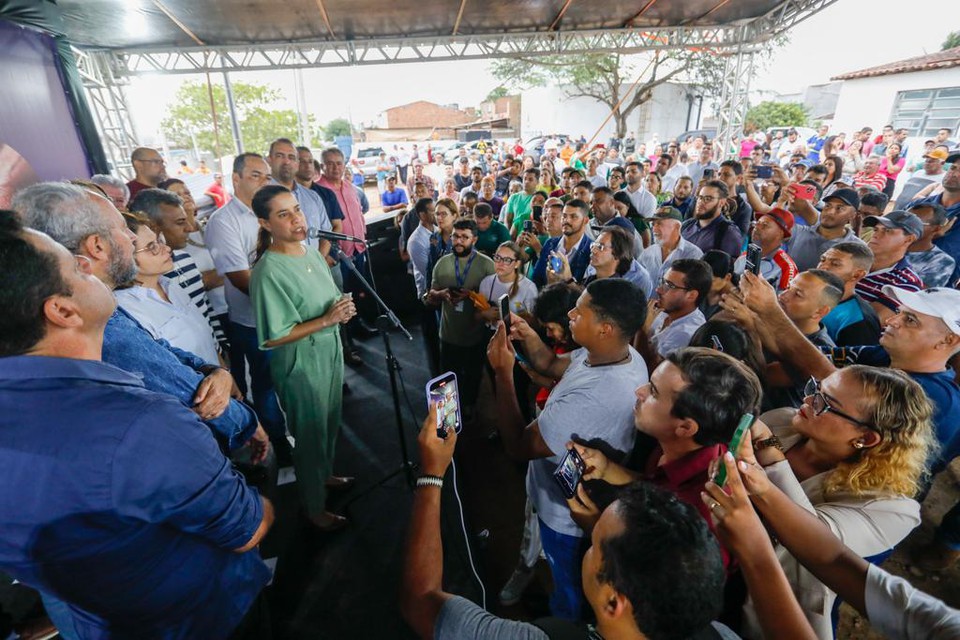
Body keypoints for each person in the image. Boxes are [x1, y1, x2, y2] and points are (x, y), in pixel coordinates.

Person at [0, 210, 274, 639]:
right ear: (62, 311)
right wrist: (263, 501)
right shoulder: (140, 425)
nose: (88, 266)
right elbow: (246, 527)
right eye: (75, 268)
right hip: (203, 619)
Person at [400, 418, 729, 640]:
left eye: (595, 546)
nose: (590, 540)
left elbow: (421, 601)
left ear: (613, 602)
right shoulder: (721, 634)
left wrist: (432, 473)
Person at [14, 182, 265, 457]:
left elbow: (160, 351)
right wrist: (246, 423)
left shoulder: (105, 304)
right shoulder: (99, 321)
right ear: (97, 246)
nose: (131, 239)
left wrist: (213, 370)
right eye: (122, 228)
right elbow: (181, 386)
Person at [486, 278, 649, 620]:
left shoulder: (596, 396)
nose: (571, 313)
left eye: (581, 311)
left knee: (569, 593)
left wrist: (502, 372)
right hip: (548, 490)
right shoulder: (619, 355)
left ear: (605, 328)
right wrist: (529, 337)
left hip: (565, 516)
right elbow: (551, 365)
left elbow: (517, 446)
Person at [733, 367, 936, 639]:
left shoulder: (892, 509)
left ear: (865, 438)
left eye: (824, 403)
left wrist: (770, 455)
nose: (807, 402)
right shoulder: (783, 421)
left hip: (766, 604)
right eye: (815, 388)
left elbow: (813, 540)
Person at [706, 445, 960, 640]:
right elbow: (835, 559)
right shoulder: (945, 624)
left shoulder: (896, 510)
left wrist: (756, 552)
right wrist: (764, 488)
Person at [566, 347, 762, 572]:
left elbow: (652, 586)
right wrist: (609, 469)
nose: (639, 391)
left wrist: (596, 528)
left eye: (654, 392)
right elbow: (657, 484)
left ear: (685, 427)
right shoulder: (674, 447)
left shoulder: (701, 515)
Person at [248, 185, 356, 531]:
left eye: (296, 209)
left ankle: (323, 475)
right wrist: (326, 320)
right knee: (308, 432)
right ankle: (314, 508)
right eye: (284, 214)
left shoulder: (310, 252)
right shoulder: (267, 271)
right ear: (265, 223)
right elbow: (273, 335)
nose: (297, 219)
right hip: (300, 360)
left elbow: (327, 298)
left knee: (328, 420)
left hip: (329, 348)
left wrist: (342, 310)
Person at [203, 153, 289, 455]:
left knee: (292, 382)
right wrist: (292, 295)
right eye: (255, 175)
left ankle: (307, 443)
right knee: (265, 388)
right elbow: (242, 278)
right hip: (255, 323)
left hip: (290, 317)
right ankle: (281, 446)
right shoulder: (223, 222)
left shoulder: (273, 212)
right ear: (235, 179)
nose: (264, 182)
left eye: (266, 176)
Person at [115, 213, 220, 366]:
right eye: (152, 247)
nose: (167, 248)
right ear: (125, 258)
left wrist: (224, 372)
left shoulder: (171, 285)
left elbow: (205, 339)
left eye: (159, 241)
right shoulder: (127, 310)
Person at [129, 188, 226, 345]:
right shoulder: (151, 276)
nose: (188, 228)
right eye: (180, 222)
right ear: (153, 227)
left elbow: (205, 309)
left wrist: (221, 345)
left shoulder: (186, 259)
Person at [423, 219, 496, 413]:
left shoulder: (487, 265)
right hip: (448, 334)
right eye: (456, 236)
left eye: (465, 237)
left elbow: (494, 304)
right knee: (446, 377)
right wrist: (441, 294)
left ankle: (470, 408)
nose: (459, 241)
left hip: (477, 336)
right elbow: (429, 297)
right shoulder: (442, 263)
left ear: (475, 239)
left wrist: (471, 295)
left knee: (473, 376)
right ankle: (446, 418)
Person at [856, 210, 924, 322]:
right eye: (876, 229)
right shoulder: (853, 258)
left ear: (909, 239)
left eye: (887, 231)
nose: (876, 235)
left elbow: (870, 322)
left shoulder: (908, 282)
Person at [816, 242, 882, 346]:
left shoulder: (859, 319)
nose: (823, 267)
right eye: (823, 260)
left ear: (857, 275)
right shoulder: (809, 296)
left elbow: (857, 360)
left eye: (835, 264)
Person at [644, 259, 710, 362]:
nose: (659, 290)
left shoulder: (686, 334)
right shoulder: (666, 310)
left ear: (691, 295)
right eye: (662, 282)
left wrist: (644, 331)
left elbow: (653, 372)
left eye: (669, 286)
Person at [785, 188, 864, 272]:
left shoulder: (857, 249)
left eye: (839, 208)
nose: (830, 212)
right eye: (828, 205)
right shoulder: (797, 232)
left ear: (853, 215)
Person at [733, 207, 798, 292]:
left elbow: (784, 303)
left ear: (780, 233)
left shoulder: (786, 268)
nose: (756, 227)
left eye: (764, 225)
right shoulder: (744, 256)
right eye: (757, 223)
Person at [532, 200, 593, 288]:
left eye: (573, 217)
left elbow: (587, 293)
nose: (566, 220)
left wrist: (567, 279)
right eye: (564, 216)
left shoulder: (591, 250)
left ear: (585, 221)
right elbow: (537, 278)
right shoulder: (550, 243)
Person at [581, 227, 653, 298]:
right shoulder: (589, 281)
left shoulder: (621, 294)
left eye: (600, 247)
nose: (593, 250)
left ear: (618, 253)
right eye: (593, 245)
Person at [680, 180, 743, 258]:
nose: (701, 202)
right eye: (700, 197)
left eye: (708, 199)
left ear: (721, 202)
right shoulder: (687, 225)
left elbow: (728, 267)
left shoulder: (728, 232)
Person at [639, 206, 703, 282]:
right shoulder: (647, 253)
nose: (654, 229)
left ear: (677, 227)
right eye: (653, 224)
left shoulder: (693, 254)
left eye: (659, 224)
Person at [906, 202, 955, 288]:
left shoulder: (941, 261)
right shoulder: (889, 244)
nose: (906, 226)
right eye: (905, 221)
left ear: (936, 229)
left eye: (917, 223)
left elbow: (917, 294)